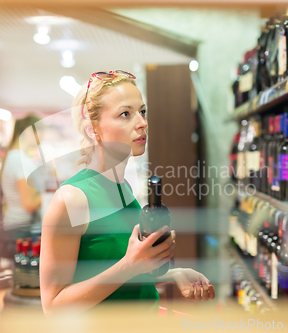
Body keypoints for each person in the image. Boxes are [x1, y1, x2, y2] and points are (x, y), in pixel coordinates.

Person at [40, 71, 215, 315]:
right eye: (125, 114)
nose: (142, 123)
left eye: (142, 111)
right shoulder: (71, 199)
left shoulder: (123, 187)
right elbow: (53, 306)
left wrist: (174, 274)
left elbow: (115, 279)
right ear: (93, 129)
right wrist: (130, 265)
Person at [0, 115, 42, 258]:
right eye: (40, 133)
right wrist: (50, 192)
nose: (41, 139)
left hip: (14, 228)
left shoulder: (14, 157)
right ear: (29, 131)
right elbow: (29, 204)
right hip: (20, 231)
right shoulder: (21, 161)